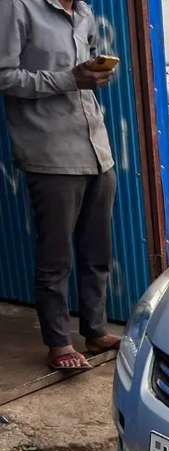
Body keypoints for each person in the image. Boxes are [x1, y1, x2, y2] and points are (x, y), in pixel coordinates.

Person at [0, 0, 121, 370]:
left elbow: (78, 78)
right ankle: (59, 343)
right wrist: (70, 78)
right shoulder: (16, 7)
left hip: (97, 150)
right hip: (50, 153)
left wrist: (93, 74)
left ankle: (96, 331)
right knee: (56, 260)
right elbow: (4, 75)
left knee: (97, 253)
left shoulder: (83, 13)